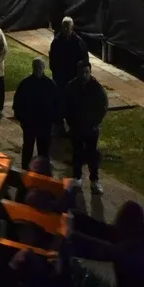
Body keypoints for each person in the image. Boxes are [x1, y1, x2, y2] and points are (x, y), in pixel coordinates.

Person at [63, 62, 108, 193]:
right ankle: (77, 179)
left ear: (90, 72)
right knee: (77, 153)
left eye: (86, 72)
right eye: (82, 72)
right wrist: (69, 122)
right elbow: (65, 105)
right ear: (77, 72)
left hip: (90, 128)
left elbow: (103, 106)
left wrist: (95, 122)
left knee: (92, 154)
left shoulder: (96, 88)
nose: (84, 75)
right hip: (76, 127)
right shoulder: (71, 87)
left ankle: (94, 181)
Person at [12, 57, 60, 165]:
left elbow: (57, 103)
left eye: (40, 67)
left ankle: (41, 170)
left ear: (44, 68)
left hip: (44, 124)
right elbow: (18, 102)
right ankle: (25, 168)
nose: (38, 69)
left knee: (43, 150)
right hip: (30, 123)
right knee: (28, 147)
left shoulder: (50, 85)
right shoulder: (26, 83)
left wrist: (53, 118)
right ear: (32, 67)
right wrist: (22, 118)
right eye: (36, 67)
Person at [48, 16, 87, 98]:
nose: (66, 29)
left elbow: (84, 59)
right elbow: (52, 59)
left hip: (73, 75)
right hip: (61, 76)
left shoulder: (79, 42)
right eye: (64, 27)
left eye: (67, 27)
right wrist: (55, 72)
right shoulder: (56, 42)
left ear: (72, 27)